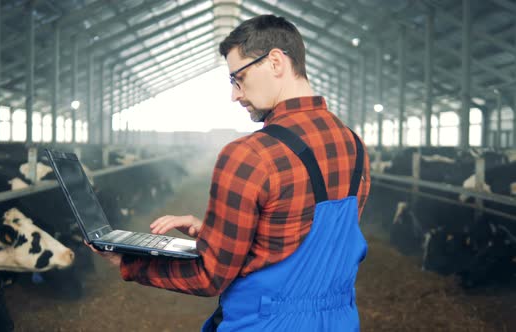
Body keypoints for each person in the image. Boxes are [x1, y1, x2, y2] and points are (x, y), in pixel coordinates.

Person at [89, 14, 371, 331]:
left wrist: (131, 263)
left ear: (276, 62)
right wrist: (221, 233)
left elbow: (210, 276)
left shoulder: (248, 155)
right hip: (340, 321)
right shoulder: (355, 145)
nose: (235, 95)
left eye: (238, 78)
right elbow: (304, 240)